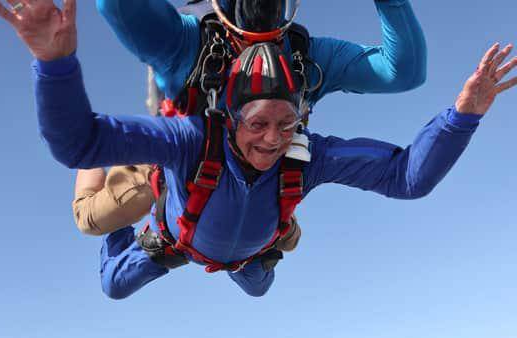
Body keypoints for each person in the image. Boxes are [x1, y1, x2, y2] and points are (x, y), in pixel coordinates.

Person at [0, 0, 517, 299]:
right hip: (175, 191)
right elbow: (77, 134)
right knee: (101, 248)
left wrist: (464, 113)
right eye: (259, 123)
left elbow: (407, 172)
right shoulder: (191, 87)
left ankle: (256, 241)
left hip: (247, 232)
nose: (271, 137)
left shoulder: (305, 117)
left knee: (262, 278)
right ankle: (114, 186)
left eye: (286, 122)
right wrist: (53, 61)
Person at [73, 0, 429, 247]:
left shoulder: (306, 56)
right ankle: (108, 150)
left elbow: (403, 72)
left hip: (258, 181)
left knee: (281, 243)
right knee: (92, 217)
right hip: (175, 168)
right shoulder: (189, 43)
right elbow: (116, 7)